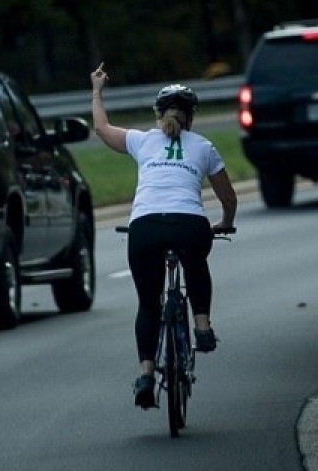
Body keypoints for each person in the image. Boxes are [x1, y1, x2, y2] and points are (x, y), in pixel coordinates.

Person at [90, 63, 238, 409]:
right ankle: (201, 325)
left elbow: (101, 128)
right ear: (192, 117)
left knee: (148, 302)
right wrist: (225, 221)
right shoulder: (203, 146)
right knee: (196, 262)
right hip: (190, 223)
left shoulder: (142, 140)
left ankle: (145, 373)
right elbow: (227, 197)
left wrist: (97, 90)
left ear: (159, 115)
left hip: (145, 227)